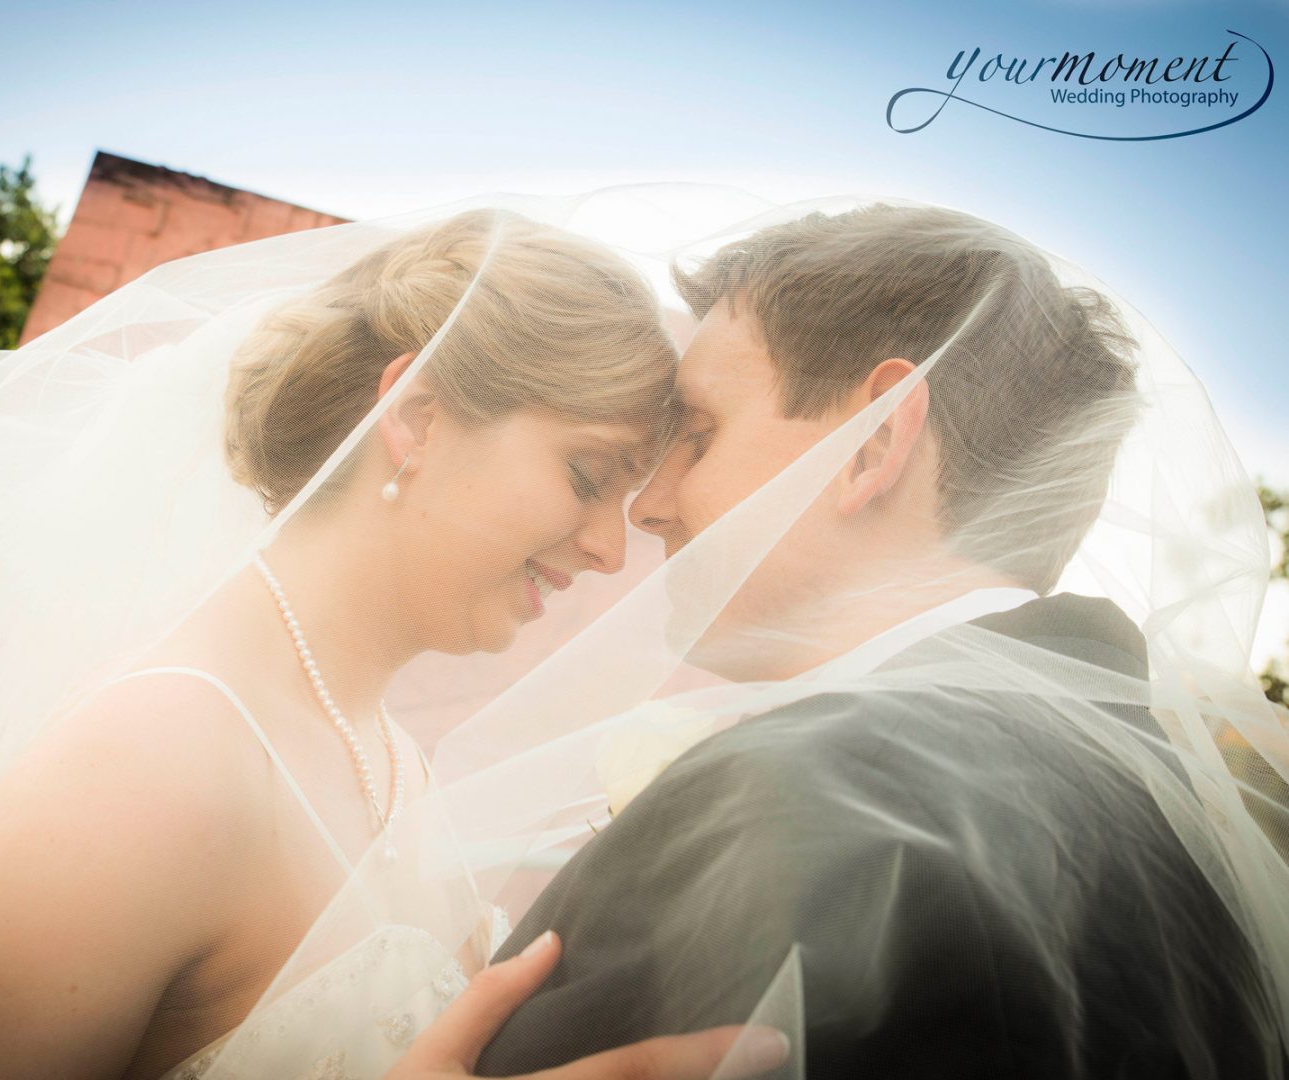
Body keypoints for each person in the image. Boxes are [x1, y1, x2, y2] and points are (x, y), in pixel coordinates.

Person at [0, 204, 787, 1079]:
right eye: (586, 473)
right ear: (416, 417)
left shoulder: (384, 758)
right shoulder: (153, 766)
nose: (612, 546)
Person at [470, 204, 1289, 1076]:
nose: (650, 504)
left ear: (875, 445)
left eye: (701, 435)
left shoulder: (808, 787)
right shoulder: (1190, 818)